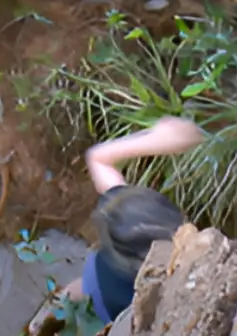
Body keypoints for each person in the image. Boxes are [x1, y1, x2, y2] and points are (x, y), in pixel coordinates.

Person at [28, 117, 206, 334]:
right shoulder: (188, 266)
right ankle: (58, 309)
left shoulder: (129, 225)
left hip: (101, 279)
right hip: (118, 308)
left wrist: (163, 139)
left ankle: (51, 309)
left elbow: (98, 159)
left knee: (83, 286)